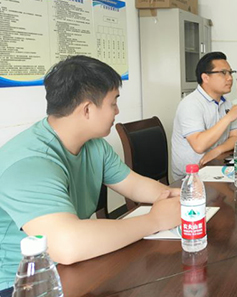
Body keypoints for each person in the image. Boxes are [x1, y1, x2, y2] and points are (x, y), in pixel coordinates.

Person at [0, 56, 180, 294]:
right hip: (23, 283)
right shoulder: (29, 163)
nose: (117, 110)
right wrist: (155, 220)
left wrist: (181, 196)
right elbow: (67, 245)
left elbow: (134, 186)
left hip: (72, 266)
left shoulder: (94, 145)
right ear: (87, 109)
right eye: (113, 103)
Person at [171, 52, 237, 181]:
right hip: (191, 176)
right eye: (223, 73)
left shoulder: (226, 103)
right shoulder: (191, 104)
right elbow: (199, 145)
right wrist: (228, 117)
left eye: (230, 73)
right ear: (205, 78)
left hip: (217, 166)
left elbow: (236, 137)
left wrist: (217, 150)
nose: (230, 78)